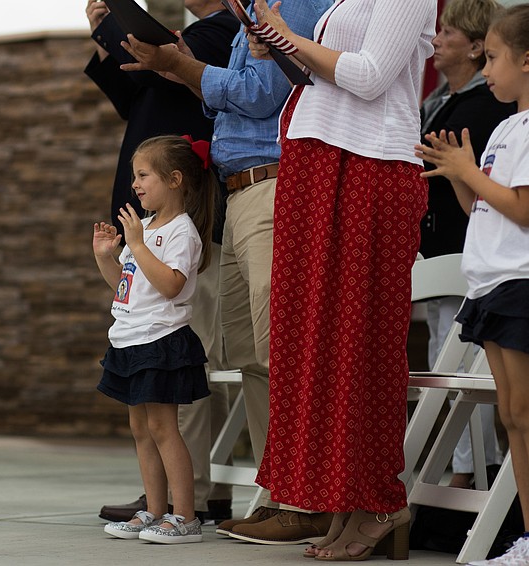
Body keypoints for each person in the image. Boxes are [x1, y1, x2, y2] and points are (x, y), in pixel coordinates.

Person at [118, 0, 336, 545]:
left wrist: (177, 63)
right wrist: (174, 69)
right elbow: (232, 102)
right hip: (238, 190)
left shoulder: (296, 5)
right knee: (250, 355)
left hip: (274, 182)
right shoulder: (252, 13)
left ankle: (305, 498)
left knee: (279, 345)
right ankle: (277, 493)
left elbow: (262, 95)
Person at [241, 0, 435, 559]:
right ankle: (343, 500)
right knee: (313, 344)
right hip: (319, 155)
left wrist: (288, 37)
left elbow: (370, 78)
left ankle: (378, 501)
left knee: (359, 343)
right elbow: (323, 75)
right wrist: (276, 46)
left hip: (371, 162)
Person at [416, 1, 529, 564]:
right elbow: (488, 214)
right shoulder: (510, 125)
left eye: (492, 58)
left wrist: (470, 174)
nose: (486, 69)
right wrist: (463, 180)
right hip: (493, 280)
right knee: (510, 414)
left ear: (528, 60)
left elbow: (524, 208)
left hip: (527, 282)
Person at [84, 0, 239, 524]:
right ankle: (172, 496)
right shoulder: (191, 35)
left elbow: (178, 77)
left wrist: (147, 43)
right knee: (158, 403)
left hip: (188, 214)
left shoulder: (226, 29)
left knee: (187, 365)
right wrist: (104, 34)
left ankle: (185, 498)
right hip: (153, 228)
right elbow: (135, 96)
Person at [94, 135, 217, 544]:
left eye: (143, 175)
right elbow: (127, 288)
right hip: (130, 338)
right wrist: (106, 258)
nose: (136, 184)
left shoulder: (182, 232)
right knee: (140, 429)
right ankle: (154, 510)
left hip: (162, 340)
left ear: (175, 179)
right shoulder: (143, 228)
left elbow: (168, 285)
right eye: (135, 176)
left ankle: (185, 517)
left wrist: (137, 245)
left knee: (165, 428)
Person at [419, 0, 514, 490]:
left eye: (449, 31)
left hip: (466, 250)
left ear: (478, 47)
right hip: (441, 250)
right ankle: (467, 466)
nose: (436, 39)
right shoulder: (440, 101)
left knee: (463, 364)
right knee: (445, 360)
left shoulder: (485, 107)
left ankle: (475, 470)